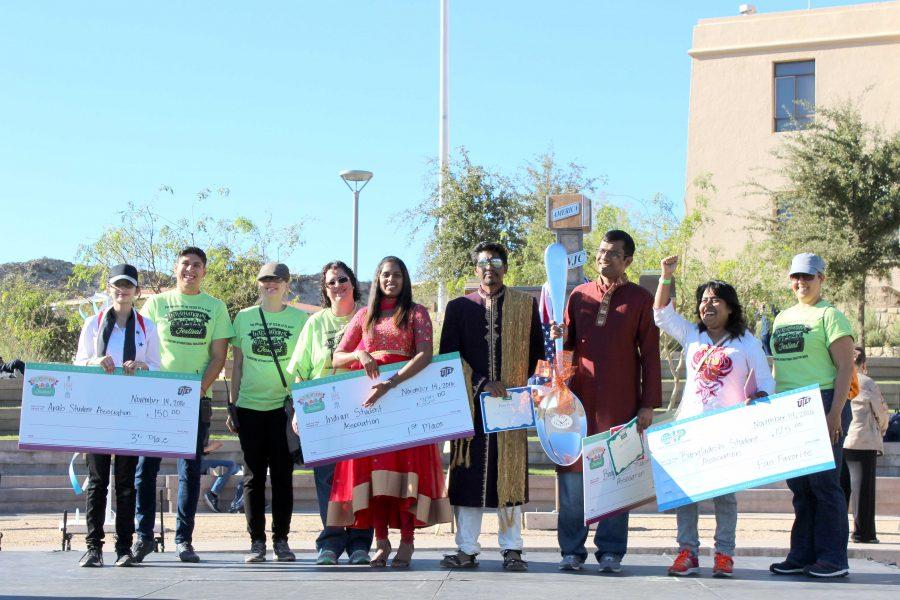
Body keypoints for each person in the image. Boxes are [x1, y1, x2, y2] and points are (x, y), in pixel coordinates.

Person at [653, 256, 775, 577]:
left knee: (724, 498)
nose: (708, 305)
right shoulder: (693, 335)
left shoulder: (746, 342)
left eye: (715, 300)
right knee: (686, 495)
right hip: (689, 430)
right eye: (703, 300)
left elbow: (766, 384)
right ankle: (687, 553)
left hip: (726, 432)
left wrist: (760, 400)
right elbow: (661, 315)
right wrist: (666, 276)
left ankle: (724, 555)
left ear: (730, 307)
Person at [549, 229, 661, 573]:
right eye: (601, 251)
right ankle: (571, 550)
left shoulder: (640, 299)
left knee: (616, 477)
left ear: (627, 260)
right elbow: (565, 349)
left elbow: (651, 356)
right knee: (572, 477)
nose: (603, 257)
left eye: (613, 253)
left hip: (620, 404)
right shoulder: (577, 295)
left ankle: (611, 550)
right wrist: (557, 388)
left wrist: (647, 404)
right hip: (577, 405)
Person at [328, 256, 451, 568]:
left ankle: (407, 542)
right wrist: (361, 353)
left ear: (404, 278)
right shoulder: (364, 316)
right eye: (385, 274)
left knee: (407, 475)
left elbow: (425, 354)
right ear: (377, 278)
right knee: (376, 478)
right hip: (371, 407)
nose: (390, 280)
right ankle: (381, 543)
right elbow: (337, 357)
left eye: (396, 274)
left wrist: (392, 382)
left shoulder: (416, 313)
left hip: (405, 403)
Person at [438, 242, 543, 572]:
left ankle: (513, 549)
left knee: (508, 477)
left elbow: (538, 356)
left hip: (512, 408)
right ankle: (466, 549)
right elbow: (448, 358)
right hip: (470, 408)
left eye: (496, 261)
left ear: (506, 267)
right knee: (468, 477)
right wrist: (482, 383)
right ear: (475, 270)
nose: (489, 267)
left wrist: (530, 389)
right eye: (483, 262)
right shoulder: (458, 308)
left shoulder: (526, 306)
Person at [133, 247, 234, 563]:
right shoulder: (156, 303)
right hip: (155, 398)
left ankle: (183, 540)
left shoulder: (215, 307)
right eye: (185, 264)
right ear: (175, 269)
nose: (191, 269)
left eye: (197, 265)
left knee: (189, 471)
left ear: (204, 271)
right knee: (144, 469)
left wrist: (196, 390)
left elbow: (219, 356)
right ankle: (143, 536)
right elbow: (142, 348)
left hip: (195, 400)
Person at [768, 253, 855, 578]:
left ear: (821, 279)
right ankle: (802, 555)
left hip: (824, 400)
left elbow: (845, 367)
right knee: (800, 486)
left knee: (824, 484)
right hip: (790, 405)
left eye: (808, 277)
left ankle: (833, 558)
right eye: (796, 277)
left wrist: (834, 414)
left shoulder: (831, 316)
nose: (801, 283)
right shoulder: (782, 318)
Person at [73, 264, 162, 567]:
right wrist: (96, 361)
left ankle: (123, 547)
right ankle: (93, 548)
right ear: (109, 289)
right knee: (98, 482)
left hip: (130, 412)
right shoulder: (93, 324)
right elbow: (79, 363)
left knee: (125, 482)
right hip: (98, 411)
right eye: (116, 286)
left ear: (137, 291)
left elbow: (157, 366)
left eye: (128, 286)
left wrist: (141, 366)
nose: (122, 291)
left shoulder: (146, 326)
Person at [287, 260, 374, 566]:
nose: (337, 286)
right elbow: (299, 372)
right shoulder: (316, 324)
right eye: (331, 282)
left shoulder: (368, 321)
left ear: (353, 283)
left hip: (361, 410)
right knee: (327, 480)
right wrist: (298, 410)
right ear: (325, 290)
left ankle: (361, 543)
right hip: (322, 411)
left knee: (361, 479)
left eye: (342, 279)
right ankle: (331, 543)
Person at [228, 262, 307, 563]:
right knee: (253, 478)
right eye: (265, 280)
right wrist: (232, 404)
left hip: (283, 409)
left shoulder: (300, 319)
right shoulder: (244, 317)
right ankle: (256, 542)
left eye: (276, 280)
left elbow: (304, 365)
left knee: (283, 477)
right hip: (249, 407)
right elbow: (237, 363)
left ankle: (282, 540)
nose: (270, 285)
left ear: (287, 284)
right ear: (258, 284)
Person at [841, 347, 889, 544]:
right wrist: (883, 430)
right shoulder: (867, 382)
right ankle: (863, 533)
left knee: (840, 488)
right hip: (863, 440)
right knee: (863, 491)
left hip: (842, 438)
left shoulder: (839, 380)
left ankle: (836, 532)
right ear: (864, 365)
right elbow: (881, 411)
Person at [201, 439, 242, 514]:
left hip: (194, 463)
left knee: (235, 467)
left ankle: (238, 469)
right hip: (198, 463)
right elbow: (217, 444)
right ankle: (213, 494)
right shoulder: (200, 431)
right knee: (231, 464)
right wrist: (207, 448)